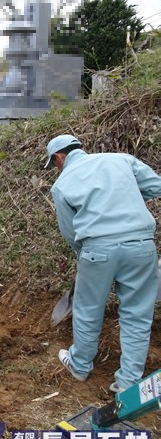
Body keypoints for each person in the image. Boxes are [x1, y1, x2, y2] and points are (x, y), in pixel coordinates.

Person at [45, 134, 161, 394]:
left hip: (97, 250)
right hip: (141, 246)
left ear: (58, 157)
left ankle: (80, 365)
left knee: (87, 309)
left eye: (54, 165)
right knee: (137, 315)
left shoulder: (62, 184)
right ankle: (129, 384)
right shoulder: (120, 160)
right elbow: (156, 186)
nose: (56, 169)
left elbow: (70, 232)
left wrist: (84, 255)